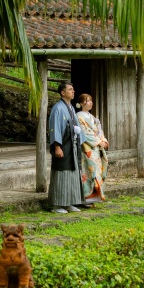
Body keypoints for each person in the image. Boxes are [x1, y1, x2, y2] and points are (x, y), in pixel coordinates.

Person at [48, 82, 86, 213]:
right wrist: (57, 147)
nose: (73, 91)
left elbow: (77, 127)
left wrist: (81, 143)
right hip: (63, 145)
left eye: (73, 89)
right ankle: (57, 205)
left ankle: (69, 202)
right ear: (63, 93)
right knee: (61, 172)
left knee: (72, 173)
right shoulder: (58, 108)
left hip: (72, 145)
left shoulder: (71, 108)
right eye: (70, 89)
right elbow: (55, 128)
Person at [75, 94, 109, 203]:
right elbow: (85, 133)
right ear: (81, 103)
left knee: (97, 172)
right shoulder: (78, 117)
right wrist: (99, 142)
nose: (90, 103)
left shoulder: (93, 117)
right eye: (87, 101)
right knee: (89, 171)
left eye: (91, 101)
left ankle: (95, 197)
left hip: (96, 148)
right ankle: (86, 198)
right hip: (87, 148)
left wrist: (103, 140)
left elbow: (99, 131)